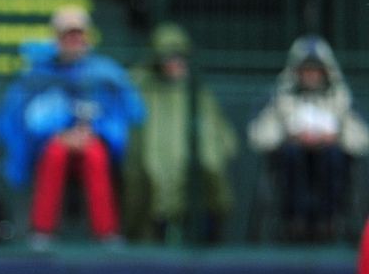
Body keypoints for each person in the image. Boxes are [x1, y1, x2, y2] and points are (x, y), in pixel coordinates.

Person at [0, 6, 143, 246]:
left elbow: (128, 114)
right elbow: (18, 120)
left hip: (95, 143)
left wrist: (96, 132)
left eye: (78, 34)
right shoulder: (37, 75)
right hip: (49, 147)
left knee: (95, 154)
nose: (74, 41)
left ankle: (107, 233)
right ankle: (41, 232)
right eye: (67, 35)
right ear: (56, 38)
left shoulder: (106, 72)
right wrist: (59, 133)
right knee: (56, 152)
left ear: (87, 37)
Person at [121, 23, 237, 244]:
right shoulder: (142, 86)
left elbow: (220, 134)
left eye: (179, 57)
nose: (175, 63)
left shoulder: (197, 90)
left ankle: (209, 239)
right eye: (168, 58)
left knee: (209, 167)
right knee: (154, 172)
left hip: (195, 169)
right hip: (155, 165)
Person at [248, 35, 369, 243]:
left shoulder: (341, 98)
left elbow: (361, 140)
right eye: (306, 70)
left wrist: (336, 136)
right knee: (292, 153)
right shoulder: (281, 98)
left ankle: (329, 221)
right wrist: (289, 134)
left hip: (331, 170)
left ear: (326, 72)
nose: (311, 76)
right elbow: (258, 136)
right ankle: (295, 222)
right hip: (291, 172)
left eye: (316, 71)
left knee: (333, 155)